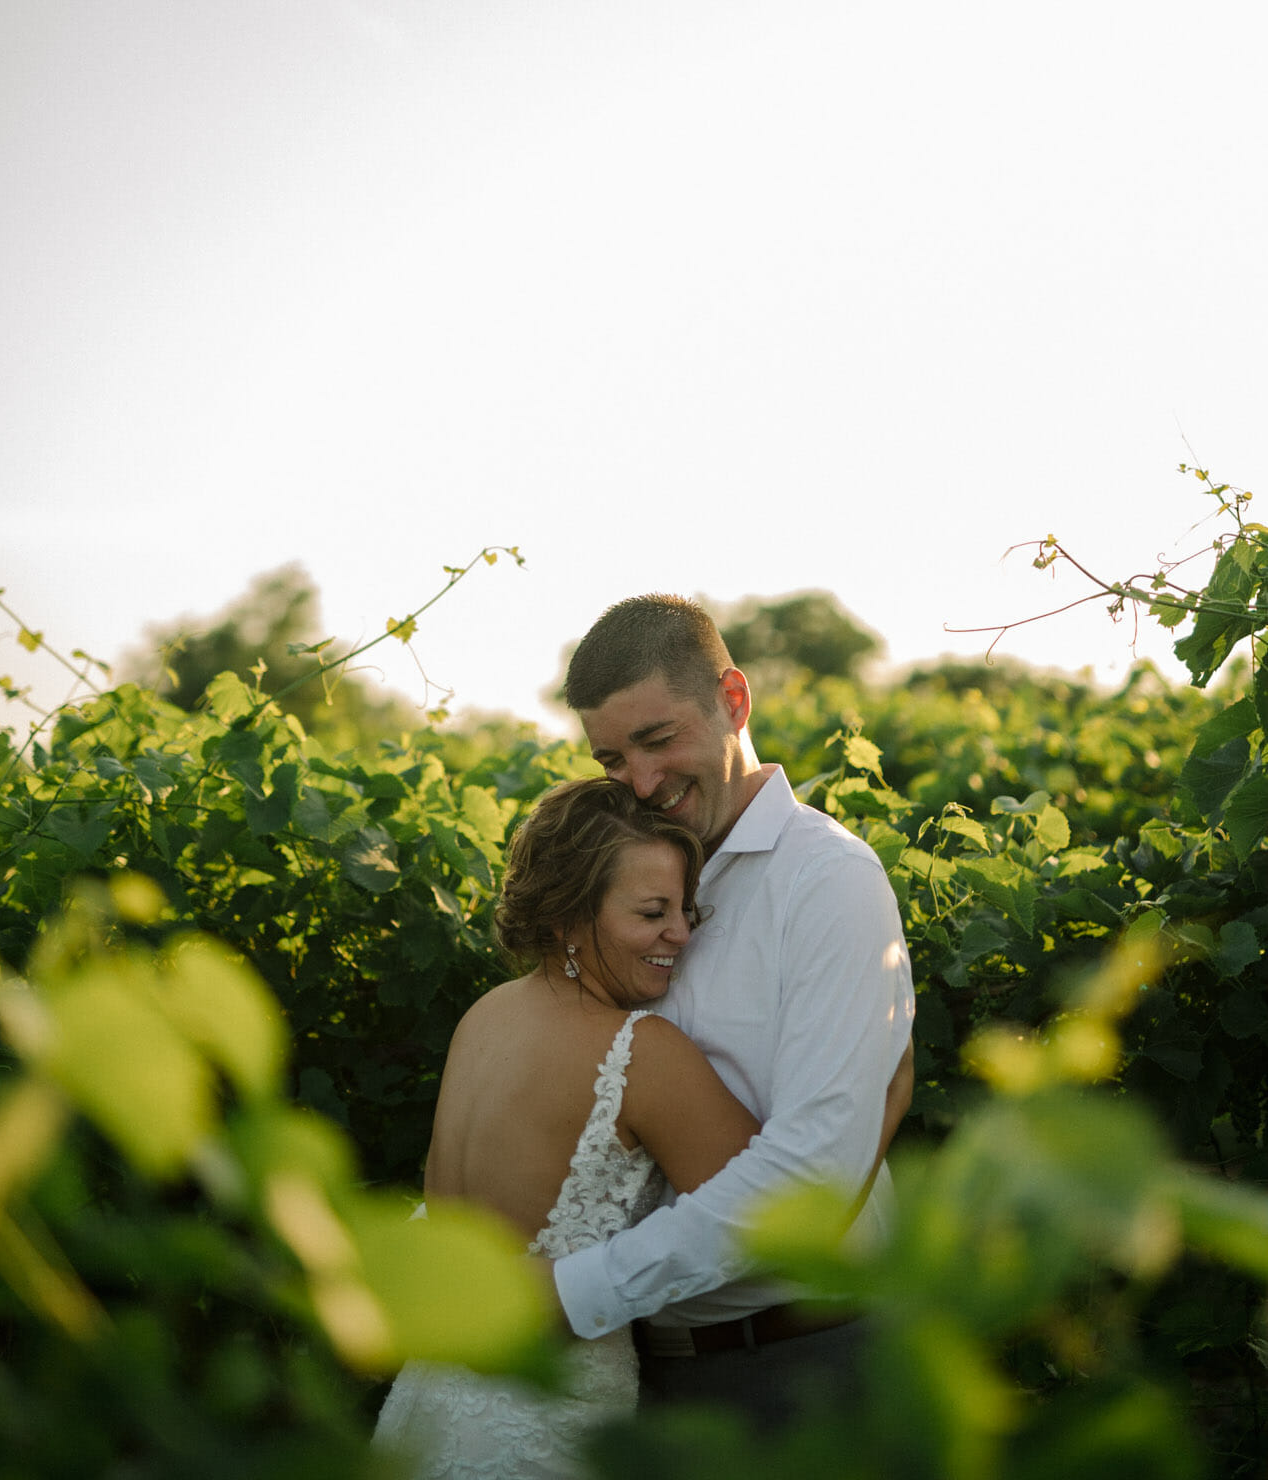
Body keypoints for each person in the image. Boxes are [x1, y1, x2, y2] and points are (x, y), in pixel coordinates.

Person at [551, 593, 916, 1433]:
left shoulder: (827, 882)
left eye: (658, 740)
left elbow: (814, 1175)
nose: (639, 783)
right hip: (642, 1378)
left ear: (734, 700)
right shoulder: (618, 884)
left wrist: (578, 1293)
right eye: (611, 759)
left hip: (806, 1369)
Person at [371, 775, 764, 1479]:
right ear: (567, 920)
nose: (681, 932)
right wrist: (882, 1090)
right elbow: (775, 1204)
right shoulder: (640, 1051)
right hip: (544, 1424)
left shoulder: (483, 1017)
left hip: (428, 1408)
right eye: (652, 912)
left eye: (683, 907)